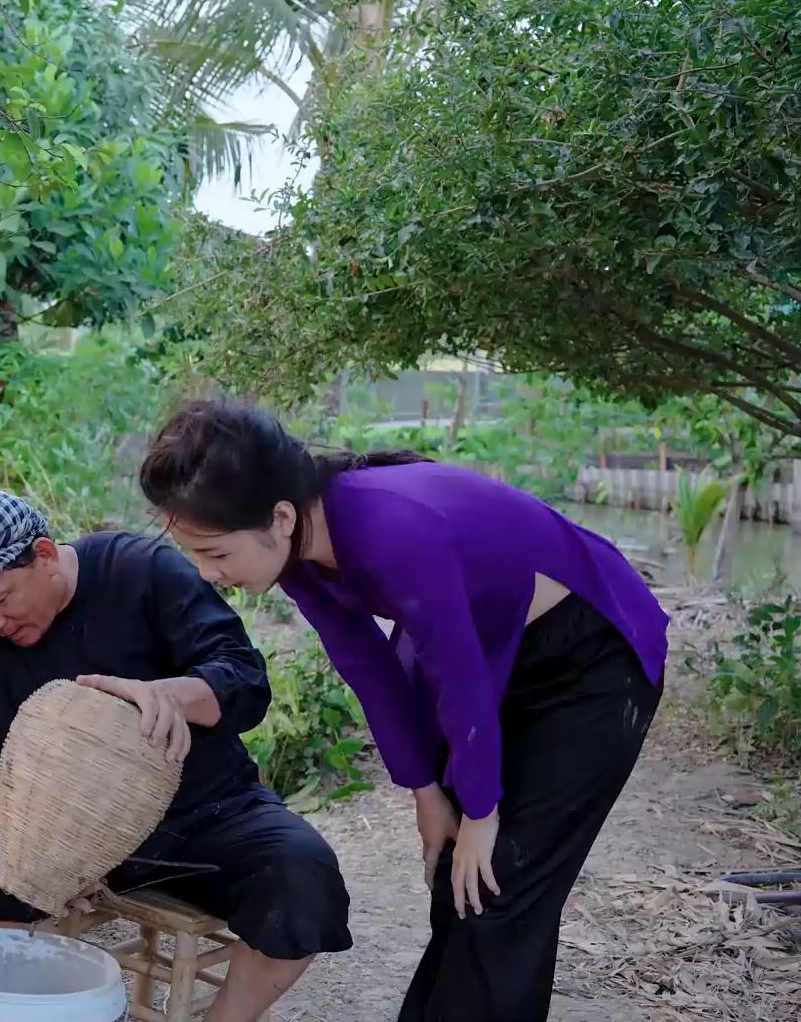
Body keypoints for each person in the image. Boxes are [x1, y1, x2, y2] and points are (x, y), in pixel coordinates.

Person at [138, 400, 668, 1022]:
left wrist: (480, 806)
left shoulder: (389, 527)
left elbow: (457, 671)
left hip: (590, 658)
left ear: (279, 517)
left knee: (501, 884)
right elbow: (370, 670)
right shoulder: (300, 550)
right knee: (457, 877)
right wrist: (425, 791)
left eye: (218, 554)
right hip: (495, 649)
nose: (209, 574)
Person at [0, 489, 353, 1022]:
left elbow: (244, 677)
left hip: (203, 814)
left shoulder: (143, 569)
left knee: (301, 872)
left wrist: (170, 696)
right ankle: (16, 1008)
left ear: (47, 554)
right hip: (65, 824)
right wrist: (43, 839)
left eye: (1, 600)